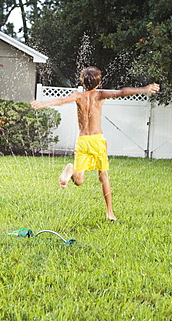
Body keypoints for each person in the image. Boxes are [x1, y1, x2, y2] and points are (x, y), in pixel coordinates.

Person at [31, 67, 160, 221]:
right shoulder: (100, 95)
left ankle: (71, 169)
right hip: (97, 140)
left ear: (82, 81)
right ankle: (110, 212)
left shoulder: (78, 96)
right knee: (103, 176)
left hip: (83, 141)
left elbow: (60, 101)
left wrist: (43, 103)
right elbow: (121, 92)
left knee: (79, 181)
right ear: (99, 83)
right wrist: (144, 89)